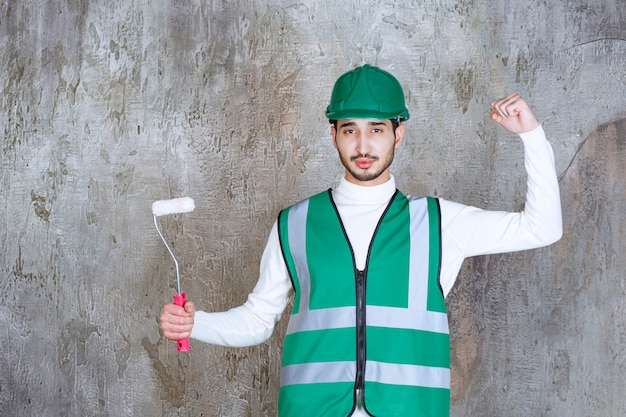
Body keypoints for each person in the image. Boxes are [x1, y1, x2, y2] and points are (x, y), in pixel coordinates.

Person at [160, 64, 562, 417]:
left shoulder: (440, 222)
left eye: (377, 130)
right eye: (350, 129)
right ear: (333, 134)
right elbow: (257, 320)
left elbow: (542, 228)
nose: (364, 145)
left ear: (398, 135)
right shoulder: (294, 223)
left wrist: (531, 135)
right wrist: (195, 324)